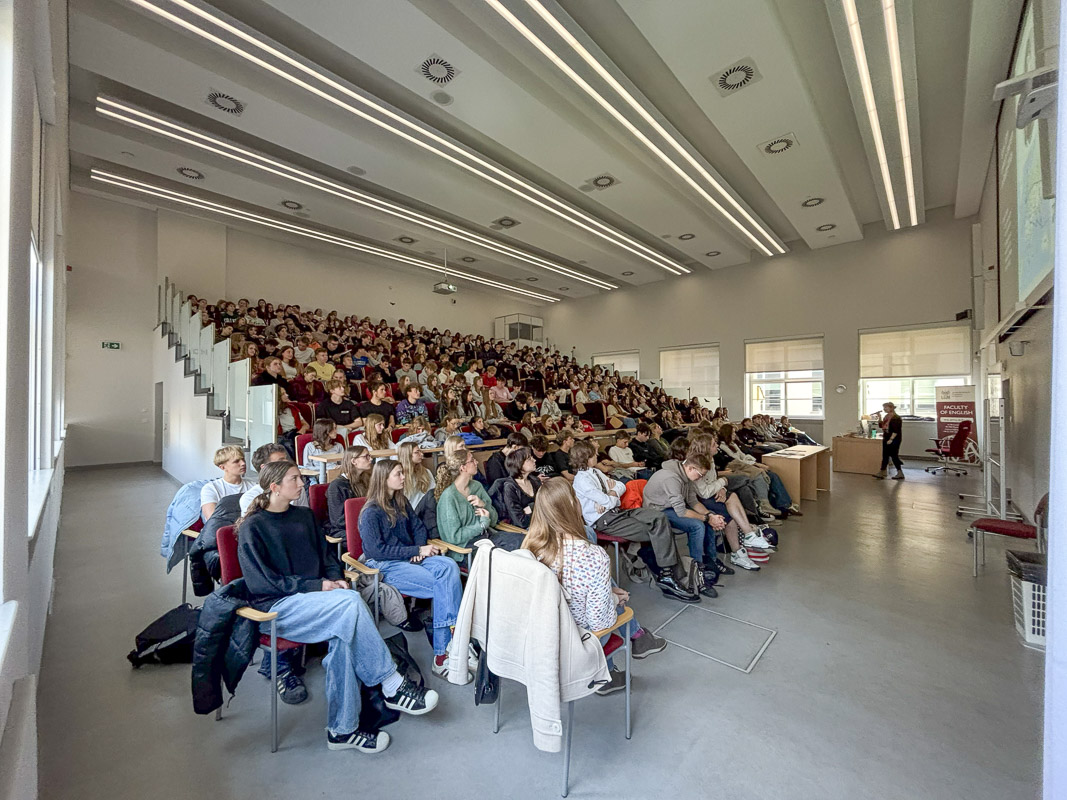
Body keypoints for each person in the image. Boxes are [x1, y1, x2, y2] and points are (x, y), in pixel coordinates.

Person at [237, 460, 439, 753]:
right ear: (274, 487)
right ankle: (391, 683)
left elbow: (328, 557)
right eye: (294, 479)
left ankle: (342, 731)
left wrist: (334, 578)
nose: (302, 483)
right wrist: (318, 586)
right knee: (350, 605)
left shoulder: (304, 516)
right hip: (277, 608)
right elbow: (261, 583)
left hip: (321, 602)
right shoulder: (253, 527)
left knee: (345, 631)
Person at [522, 478, 668, 694]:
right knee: (615, 604)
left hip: (543, 635)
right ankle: (613, 665)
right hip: (579, 640)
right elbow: (600, 623)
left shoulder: (530, 548)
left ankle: (636, 638)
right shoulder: (592, 556)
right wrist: (615, 599)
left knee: (600, 581)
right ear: (574, 506)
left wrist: (607, 593)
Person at [358, 460, 464, 678]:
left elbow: (417, 526)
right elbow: (376, 551)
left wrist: (418, 549)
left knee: (449, 566)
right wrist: (413, 550)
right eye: (398, 474)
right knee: (441, 584)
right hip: (385, 564)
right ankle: (445, 649)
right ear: (384, 478)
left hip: (409, 556)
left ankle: (450, 642)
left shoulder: (400, 500)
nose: (403, 477)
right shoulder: (370, 512)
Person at [569, 440, 697, 602]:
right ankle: (668, 575)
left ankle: (667, 573)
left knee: (658, 517)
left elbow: (621, 485)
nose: (596, 455)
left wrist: (611, 493)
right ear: (585, 457)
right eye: (593, 453)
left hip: (616, 512)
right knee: (657, 532)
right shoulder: (582, 480)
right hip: (604, 520)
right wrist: (611, 497)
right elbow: (610, 501)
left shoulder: (595, 472)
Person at [642, 453, 768, 576]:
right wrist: (707, 518)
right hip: (657, 511)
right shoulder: (671, 478)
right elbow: (681, 511)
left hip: (671, 507)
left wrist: (710, 515)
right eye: (701, 475)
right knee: (697, 525)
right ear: (691, 468)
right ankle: (698, 568)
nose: (701, 478)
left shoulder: (687, 476)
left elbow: (693, 501)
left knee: (709, 516)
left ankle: (711, 560)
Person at [434, 449, 525, 558]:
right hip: (467, 549)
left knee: (525, 542)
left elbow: (494, 520)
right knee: (512, 554)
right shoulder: (449, 497)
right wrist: (481, 525)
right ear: (463, 468)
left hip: (488, 538)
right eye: (472, 460)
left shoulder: (476, 486)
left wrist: (484, 505)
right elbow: (453, 537)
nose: (476, 462)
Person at [325, 446, 373, 538]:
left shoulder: (367, 479)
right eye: (366, 456)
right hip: (344, 529)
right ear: (354, 461)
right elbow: (338, 520)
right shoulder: (337, 486)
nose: (370, 459)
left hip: (365, 523)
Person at [200, 445, 257, 521]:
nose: (243, 463)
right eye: (236, 461)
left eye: (243, 459)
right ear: (222, 467)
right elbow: (212, 519)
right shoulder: (211, 488)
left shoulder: (253, 486)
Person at [498, 446, 540, 528]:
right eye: (529, 459)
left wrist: (529, 509)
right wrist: (534, 506)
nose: (534, 460)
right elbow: (520, 521)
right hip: (528, 528)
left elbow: (546, 505)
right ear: (519, 464)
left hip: (543, 521)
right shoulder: (510, 487)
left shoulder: (535, 480)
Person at [397, 441, 436, 511]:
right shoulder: (400, 477)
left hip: (427, 511)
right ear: (407, 455)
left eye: (420, 451)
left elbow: (433, 492)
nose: (421, 454)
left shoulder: (426, 472)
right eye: (416, 452)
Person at [303, 419, 344, 483]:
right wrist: (327, 469)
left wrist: (339, 467)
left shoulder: (338, 446)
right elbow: (307, 466)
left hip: (336, 474)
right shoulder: (310, 446)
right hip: (318, 475)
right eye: (334, 429)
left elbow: (342, 464)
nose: (336, 431)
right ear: (325, 431)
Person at [874, 402, 905, 480]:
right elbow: (882, 425)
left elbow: (896, 430)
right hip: (886, 437)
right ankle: (882, 471)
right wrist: (879, 417)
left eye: (886, 407)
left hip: (894, 439)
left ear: (891, 408)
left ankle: (900, 472)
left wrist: (891, 439)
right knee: (885, 456)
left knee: (894, 456)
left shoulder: (896, 418)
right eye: (884, 407)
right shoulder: (886, 416)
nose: (884, 409)